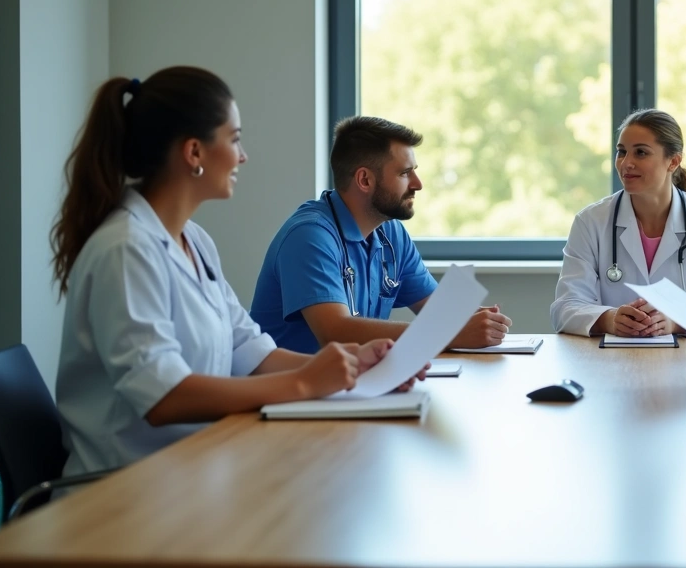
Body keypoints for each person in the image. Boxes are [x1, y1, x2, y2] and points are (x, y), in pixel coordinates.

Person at [51, 67, 424, 477]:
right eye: (234, 139)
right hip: (124, 488)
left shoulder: (194, 240)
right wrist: (305, 383)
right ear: (194, 153)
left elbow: (249, 351)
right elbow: (163, 397)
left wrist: (352, 363)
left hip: (196, 467)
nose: (243, 156)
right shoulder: (125, 250)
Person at [251, 116, 511, 353]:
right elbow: (336, 333)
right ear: (364, 180)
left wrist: (476, 320)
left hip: (354, 386)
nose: (418, 184)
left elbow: (437, 312)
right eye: (405, 173)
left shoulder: (391, 232)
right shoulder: (309, 237)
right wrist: (448, 332)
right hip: (291, 397)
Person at [551, 109, 686, 336]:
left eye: (640, 153)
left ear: (673, 161)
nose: (626, 163)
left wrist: (675, 321)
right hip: (609, 361)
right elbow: (564, 307)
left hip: (683, 360)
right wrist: (609, 319)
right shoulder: (591, 221)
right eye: (621, 152)